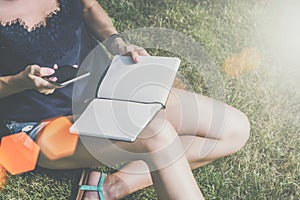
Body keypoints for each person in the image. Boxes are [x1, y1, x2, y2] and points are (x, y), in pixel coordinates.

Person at [0, 0, 250, 199]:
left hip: (106, 90)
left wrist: (117, 41)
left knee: (234, 129)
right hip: (43, 126)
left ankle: (109, 188)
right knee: (157, 133)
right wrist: (20, 81)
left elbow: (89, 7)